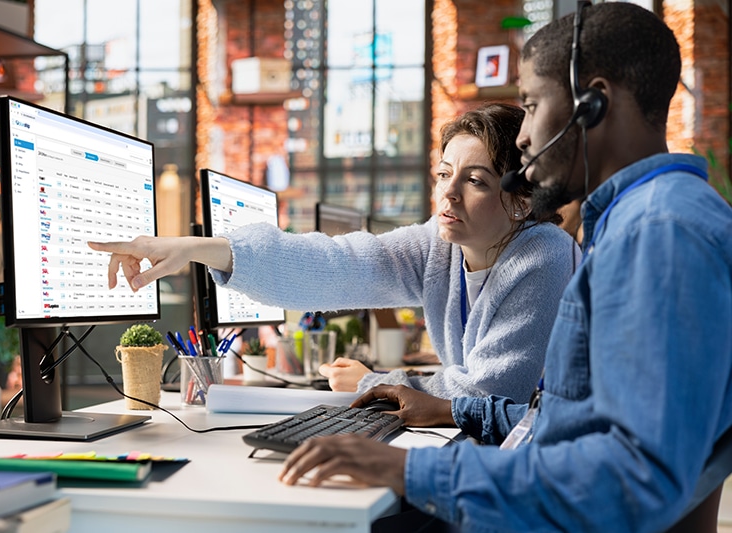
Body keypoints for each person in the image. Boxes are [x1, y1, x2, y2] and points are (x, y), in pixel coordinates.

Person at [277, 2, 732, 532]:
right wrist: (453, 410)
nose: (522, 139)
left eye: (533, 104)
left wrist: (413, 469)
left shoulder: (659, 233)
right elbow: (573, 424)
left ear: (594, 105)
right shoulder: (640, 220)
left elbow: (630, 479)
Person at [89, 103, 578, 403]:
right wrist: (202, 250)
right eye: (443, 174)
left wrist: (374, 383)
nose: (448, 194)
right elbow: (338, 264)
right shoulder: (440, 246)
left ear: (520, 201)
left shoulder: (545, 255)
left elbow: (490, 393)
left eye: (474, 181)